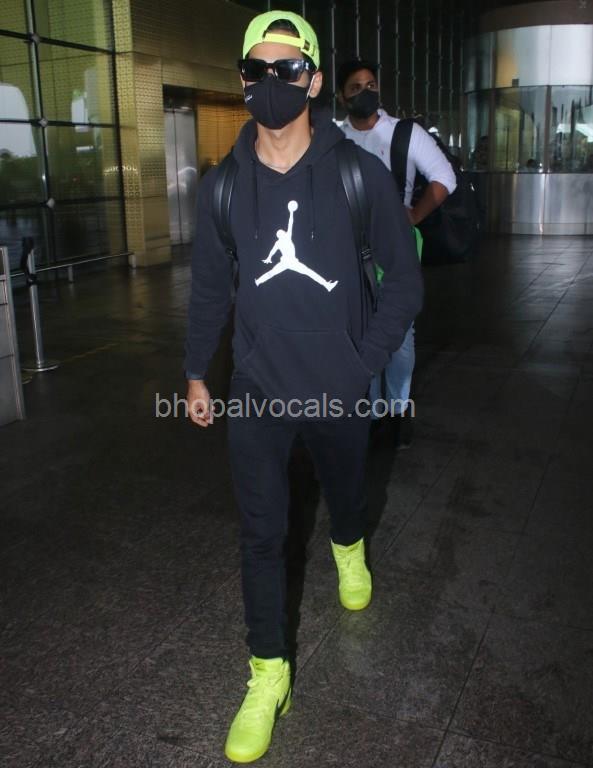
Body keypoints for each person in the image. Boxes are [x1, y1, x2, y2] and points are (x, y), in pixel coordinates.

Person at [185, 12, 422, 763]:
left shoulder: (357, 174)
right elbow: (208, 290)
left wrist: (361, 363)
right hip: (257, 387)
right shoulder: (224, 187)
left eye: (286, 70)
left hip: (337, 386)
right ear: (242, 81)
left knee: (344, 497)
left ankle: (350, 545)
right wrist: (195, 372)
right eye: (255, 70)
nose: (270, 83)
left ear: (313, 81)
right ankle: (269, 674)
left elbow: (404, 282)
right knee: (261, 532)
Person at [337, 59, 456, 448]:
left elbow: (444, 177)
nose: (365, 92)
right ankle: (373, 412)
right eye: (355, 87)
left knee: (400, 333)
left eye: (371, 84)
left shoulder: (405, 133)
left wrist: (415, 215)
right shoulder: (334, 139)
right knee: (361, 328)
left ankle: (398, 409)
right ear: (342, 97)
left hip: (396, 247)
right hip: (348, 250)